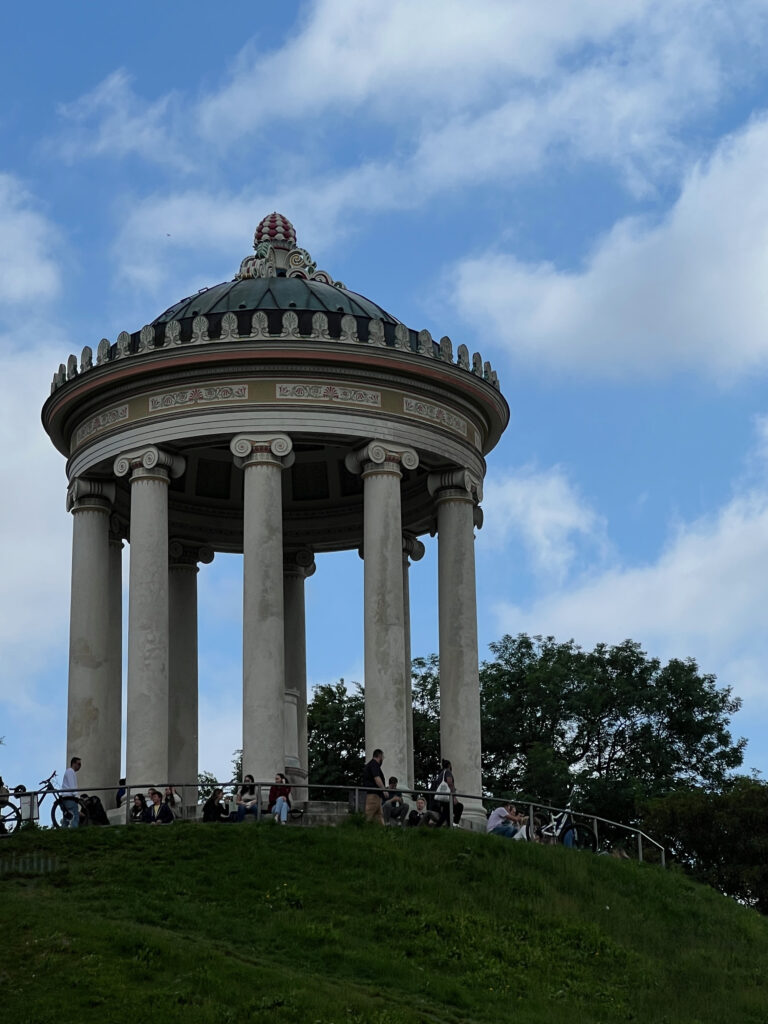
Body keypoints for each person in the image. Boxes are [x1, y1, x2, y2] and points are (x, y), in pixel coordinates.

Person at [430, 759, 463, 828]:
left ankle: (442, 827)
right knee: (459, 807)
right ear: (449, 765)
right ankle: (455, 823)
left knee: (446, 813)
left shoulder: (441, 774)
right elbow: (450, 783)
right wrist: (453, 796)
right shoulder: (448, 772)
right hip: (447, 797)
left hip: (442, 797)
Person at [362, 749, 386, 824]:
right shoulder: (374, 764)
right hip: (373, 794)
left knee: (379, 816)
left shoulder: (372, 764)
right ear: (380, 756)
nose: (383, 759)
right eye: (383, 757)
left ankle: (383, 833)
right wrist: (384, 790)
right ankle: (360, 831)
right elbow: (377, 778)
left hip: (376, 794)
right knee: (368, 816)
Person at [61, 756, 82, 829]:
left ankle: (63, 833)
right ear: (74, 763)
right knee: (74, 817)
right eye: (79, 764)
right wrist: (76, 796)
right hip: (70, 798)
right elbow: (72, 785)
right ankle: (74, 832)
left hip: (66, 798)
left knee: (66, 818)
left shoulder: (70, 771)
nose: (80, 766)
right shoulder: (70, 771)